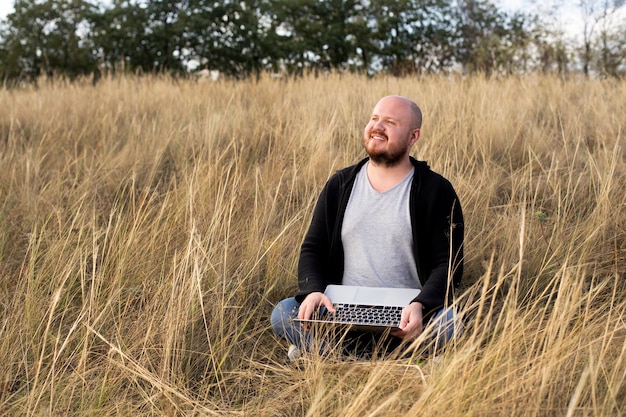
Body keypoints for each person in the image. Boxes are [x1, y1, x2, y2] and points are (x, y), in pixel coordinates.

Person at [271, 95, 464, 360]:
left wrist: (420, 305)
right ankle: (388, 361)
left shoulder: (436, 190)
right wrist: (313, 291)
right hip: (341, 312)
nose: (377, 127)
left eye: (391, 122)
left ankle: (330, 357)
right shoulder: (340, 184)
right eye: (374, 119)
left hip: (405, 317)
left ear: (413, 137)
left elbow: (449, 264)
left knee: (450, 322)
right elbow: (313, 248)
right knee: (283, 314)